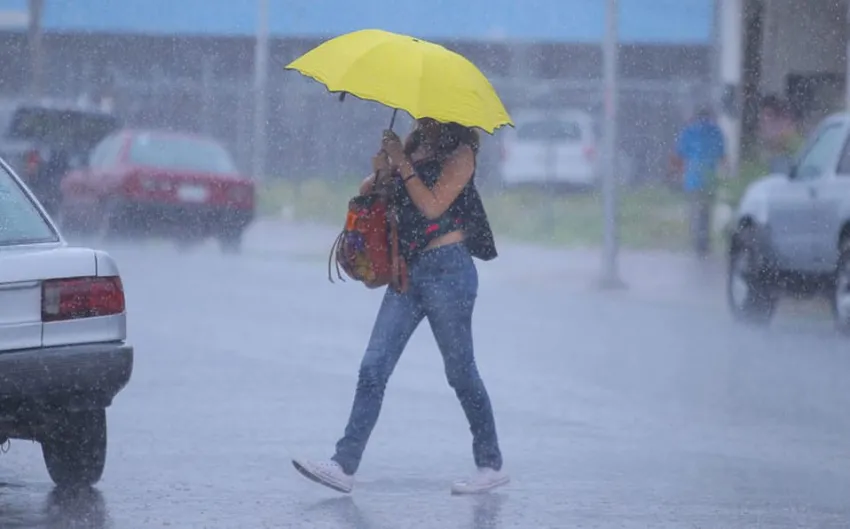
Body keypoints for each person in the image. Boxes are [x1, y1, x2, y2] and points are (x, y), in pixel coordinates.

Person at [292, 118, 508, 495]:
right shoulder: (411, 146)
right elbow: (368, 191)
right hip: (407, 271)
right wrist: (382, 169)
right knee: (374, 366)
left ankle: (490, 464)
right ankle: (343, 465)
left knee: (460, 372)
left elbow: (432, 206)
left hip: (449, 271)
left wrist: (402, 163)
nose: (422, 117)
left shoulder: (462, 154)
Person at [673, 107, 727, 258]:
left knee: (695, 212)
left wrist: (677, 174)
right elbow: (722, 156)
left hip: (693, 178)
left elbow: (679, 154)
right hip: (709, 179)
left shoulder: (689, 132)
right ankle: (704, 243)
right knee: (706, 212)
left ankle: (697, 242)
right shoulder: (716, 132)